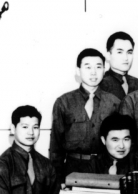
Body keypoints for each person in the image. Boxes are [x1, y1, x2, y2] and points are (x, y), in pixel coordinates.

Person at [50, 48, 120, 181]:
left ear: (104, 70)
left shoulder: (114, 102)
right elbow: (56, 148)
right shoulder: (64, 103)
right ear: (78, 71)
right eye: (88, 67)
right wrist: (57, 180)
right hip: (73, 169)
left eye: (98, 67)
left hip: (104, 169)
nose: (93, 72)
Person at [100, 32, 138, 100]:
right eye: (120, 52)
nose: (126, 58)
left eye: (129, 52)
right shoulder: (100, 84)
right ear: (108, 55)